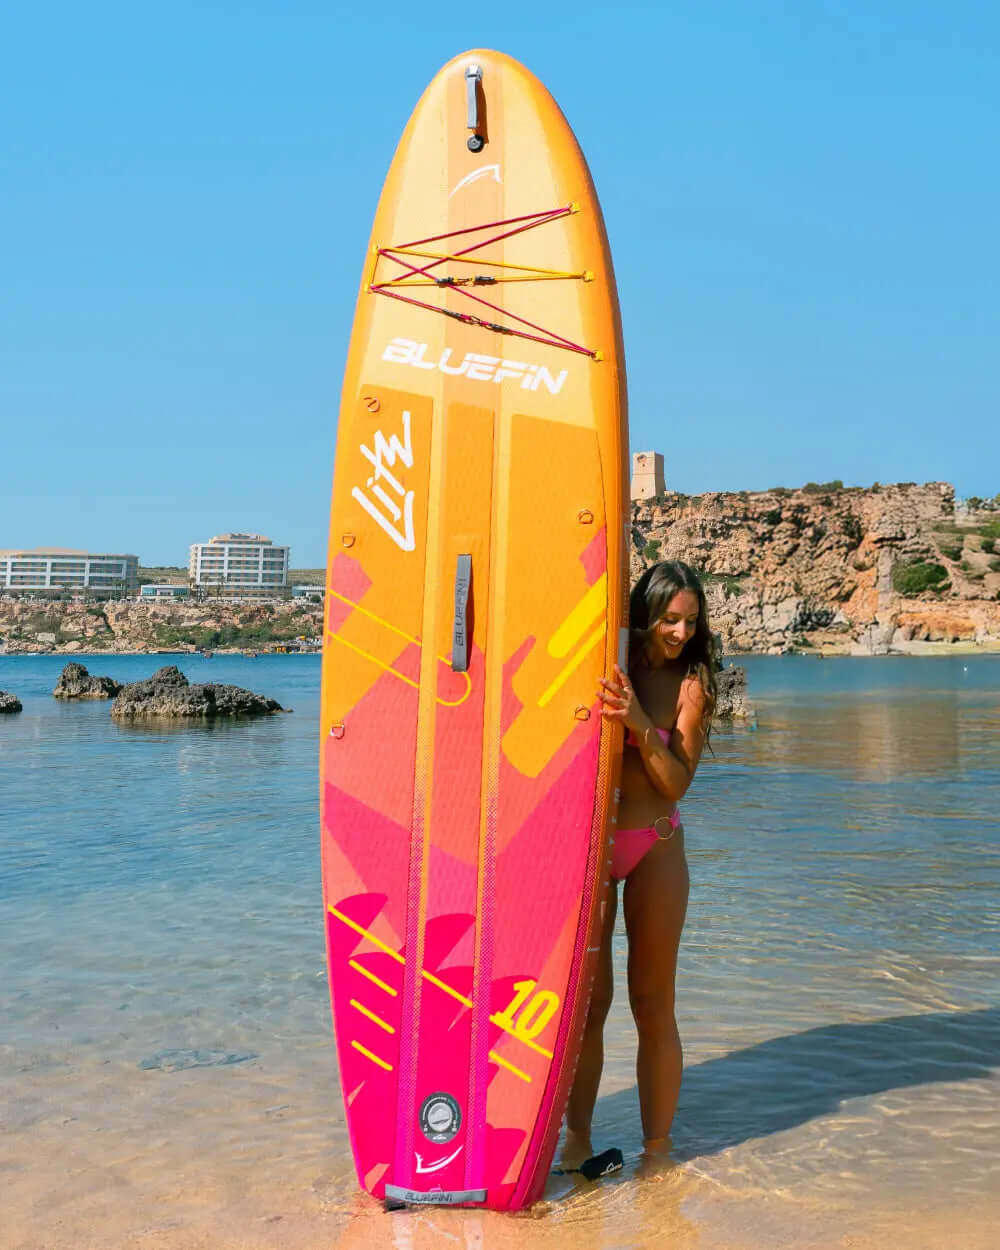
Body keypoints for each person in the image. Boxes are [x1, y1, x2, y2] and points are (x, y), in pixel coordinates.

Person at [565, 560, 717, 1162]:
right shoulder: (609, 662)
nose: (680, 633)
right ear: (644, 616)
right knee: (587, 1006)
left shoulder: (691, 685)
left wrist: (637, 725)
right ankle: (576, 1142)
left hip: (656, 843)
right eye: (669, 620)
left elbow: (677, 781)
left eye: (691, 621)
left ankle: (658, 1153)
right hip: (591, 847)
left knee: (653, 1004)